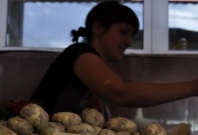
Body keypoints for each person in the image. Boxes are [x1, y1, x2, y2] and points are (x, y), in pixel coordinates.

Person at [30, 0, 198, 118]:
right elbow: (122, 93)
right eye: (123, 32)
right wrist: (192, 87)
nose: (128, 42)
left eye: (131, 35)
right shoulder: (81, 53)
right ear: (98, 28)